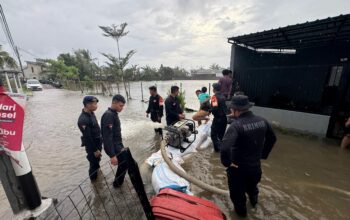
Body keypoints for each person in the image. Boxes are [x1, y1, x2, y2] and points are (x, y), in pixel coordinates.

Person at [221, 95, 276, 217]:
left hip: (238, 171)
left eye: (231, 109)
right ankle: (254, 204)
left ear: (236, 110)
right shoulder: (263, 120)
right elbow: (272, 138)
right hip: (255, 168)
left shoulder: (236, 126)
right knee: (253, 189)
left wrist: (228, 163)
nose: (230, 111)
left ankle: (242, 216)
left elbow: (224, 148)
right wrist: (263, 155)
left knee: (238, 198)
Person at [101, 94, 129, 188]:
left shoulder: (113, 114)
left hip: (118, 145)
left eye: (123, 106)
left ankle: (118, 183)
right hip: (114, 146)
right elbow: (107, 137)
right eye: (120, 106)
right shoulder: (108, 115)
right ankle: (117, 185)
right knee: (124, 164)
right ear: (114, 102)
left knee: (124, 164)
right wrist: (112, 155)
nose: (122, 108)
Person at [77, 96, 102, 181]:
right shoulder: (83, 120)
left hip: (98, 142)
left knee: (97, 160)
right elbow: (88, 138)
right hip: (92, 146)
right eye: (94, 104)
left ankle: (98, 177)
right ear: (87, 104)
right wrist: (95, 150)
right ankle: (94, 182)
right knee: (93, 164)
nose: (96, 106)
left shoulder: (91, 113)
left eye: (96, 103)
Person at [210, 83, 228, 152]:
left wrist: (209, 110)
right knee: (221, 136)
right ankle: (220, 151)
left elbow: (215, 109)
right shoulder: (223, 96)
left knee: (213, 135)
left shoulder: (214, 97)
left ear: (214, 89)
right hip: (224, 119)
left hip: (218, 119)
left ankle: (219, 150)